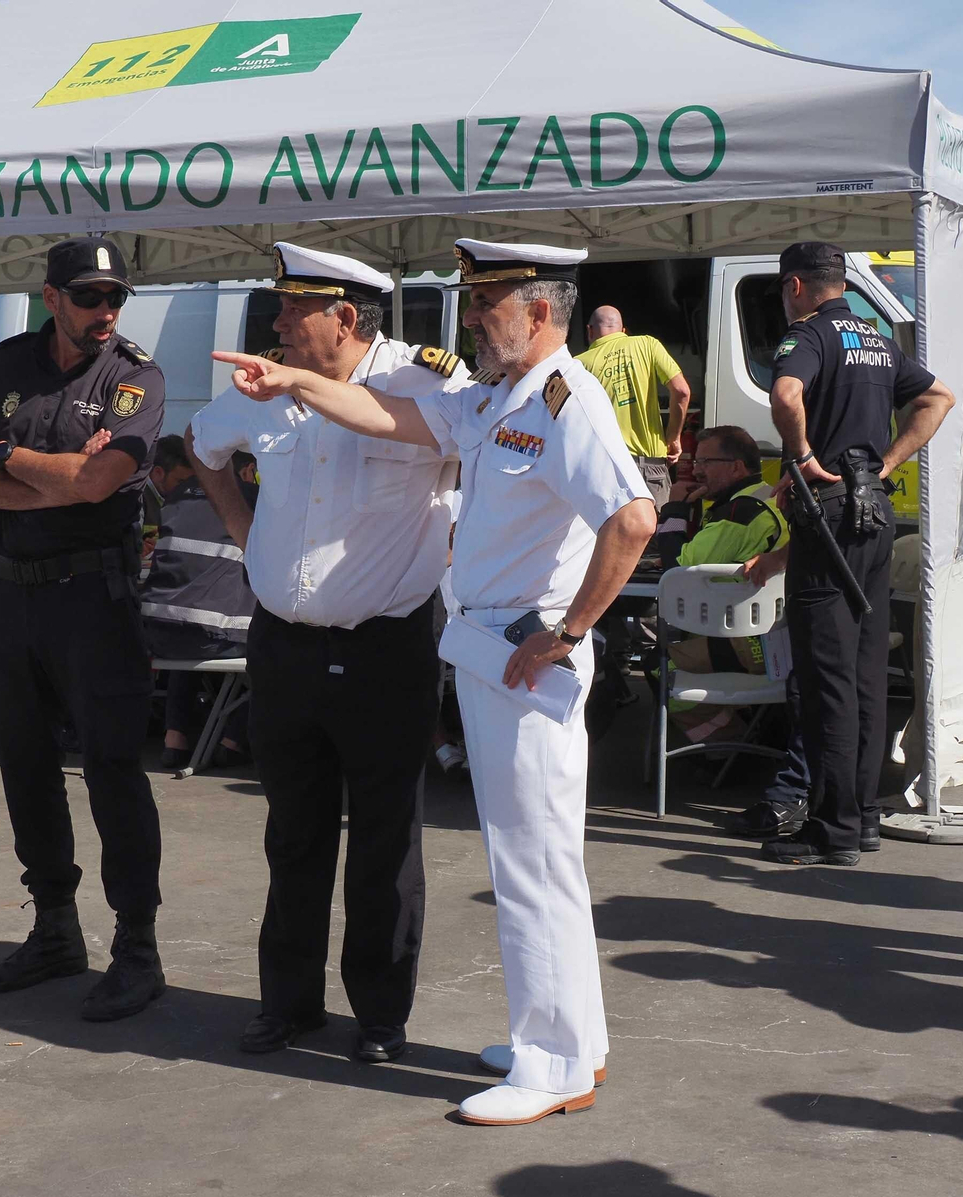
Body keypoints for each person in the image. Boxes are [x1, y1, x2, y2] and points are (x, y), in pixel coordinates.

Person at [212, 238, 656, 1125]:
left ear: (539, 311)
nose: (470, 320)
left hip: (526, 656)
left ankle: (551, 1065)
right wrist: (296, 382)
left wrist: (570, 633)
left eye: (487, 303)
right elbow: (386, 419)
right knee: (533, 858)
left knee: (533, 865)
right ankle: (575, 1042)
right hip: (492, 652)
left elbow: (633, 519)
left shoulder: (569, 401)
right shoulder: (502, 399)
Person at [189, 242, 469, 1064]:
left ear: (345, 318)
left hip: (386, 649)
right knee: (294, 833)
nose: (274, 322)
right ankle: (288, 1004)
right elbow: (205, 451)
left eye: (291, 309)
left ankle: (380, 1015)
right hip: (284, 649)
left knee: (385, 841)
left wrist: (449, 548)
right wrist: (247, 536)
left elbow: (486, 472)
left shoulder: (427, 386)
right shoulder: (259, 387)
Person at [0, 236, 168, 1022]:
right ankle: (54, 930)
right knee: (29, 771)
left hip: (93, 602)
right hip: (13, 599)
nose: (105, 312)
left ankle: (137, 950)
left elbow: (104, 479)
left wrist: (11, 458)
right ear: (52, 297)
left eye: (115, 298)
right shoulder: (12, 361)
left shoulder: (135, 373)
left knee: (112, 773)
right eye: (89, 298)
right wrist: (58, 479)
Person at [747, 242, 953, 866]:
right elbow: (938, 397)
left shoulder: (807, 335)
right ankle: (860, 819)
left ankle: (832, 831)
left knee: (826, 682)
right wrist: (887, 464)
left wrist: (805, 457)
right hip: (874, 511)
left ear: (796, 288)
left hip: (830, 514)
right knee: (865, 678)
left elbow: (786, 395)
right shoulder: (878, 336)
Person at [653, 425, 791, 745]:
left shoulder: (741, 512)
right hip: (769, 636)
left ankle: (730, 746)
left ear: (736, 467)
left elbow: (678, 565)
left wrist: (675, 508)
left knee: (658, 667)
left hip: (751, 645)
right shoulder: (761, 497)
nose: (696, 471)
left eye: (705, 463)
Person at [140, 435, 256, 770]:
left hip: (158, 635)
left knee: (185, 628)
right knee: (276, 652)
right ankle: (232, 742)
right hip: (216, 642)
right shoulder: (254, 499)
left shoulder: (176, 498)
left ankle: (174, 740)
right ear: (247, 471)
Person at [575, 306, 693, 506]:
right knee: (656, 534)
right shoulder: (647, 344)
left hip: (605, 470)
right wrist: (673, 437)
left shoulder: (577, 365)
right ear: (623, 331)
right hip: (651, 467)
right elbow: (682, 391)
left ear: (589, 331)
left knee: (610, 537)